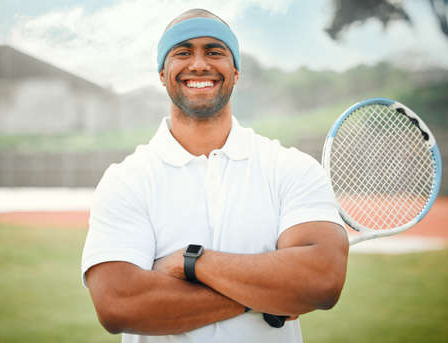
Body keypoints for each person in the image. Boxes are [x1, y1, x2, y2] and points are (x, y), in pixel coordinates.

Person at [81, 8, 349, 343]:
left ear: (235, 72)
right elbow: (118, 304)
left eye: (214, 51)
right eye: (182, 52)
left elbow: (321, 282)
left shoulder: (291, 168)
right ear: (162, 74)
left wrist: (191, 262)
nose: (198, 64)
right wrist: (267, 295)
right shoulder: (126, 180)